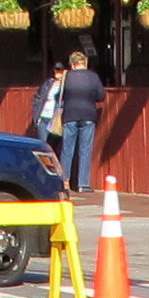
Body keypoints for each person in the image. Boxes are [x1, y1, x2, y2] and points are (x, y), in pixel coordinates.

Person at [54, 46, 104, 194]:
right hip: (88, 116)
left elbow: (58, 97)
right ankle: (83, 184)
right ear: (85, 62)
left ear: (72, 63)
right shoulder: (93, 77)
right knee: (85, 150)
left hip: (69, 116)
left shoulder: (66, 77)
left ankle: (65, 182)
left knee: (67, 150)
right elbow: (101, 96)